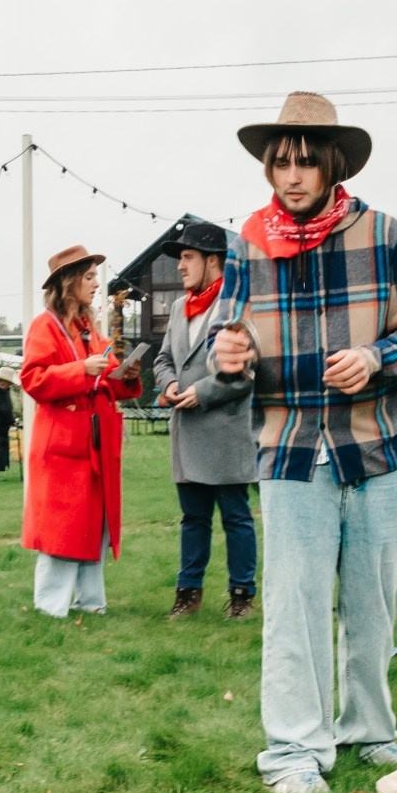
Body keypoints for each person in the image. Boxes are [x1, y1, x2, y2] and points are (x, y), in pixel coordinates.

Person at [207, 92, 397, 793]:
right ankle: (293, 751)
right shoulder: (246, 242)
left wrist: (376, 358)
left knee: (373, 607)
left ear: (333, 164)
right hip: (290, 450)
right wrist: (229, 357)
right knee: (294, 606)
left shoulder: (388, 234)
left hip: (378, 449)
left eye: (306, 162)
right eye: (281, 162)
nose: (293, 176)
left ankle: (370, 731)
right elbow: (229, 338)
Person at [20, 244, 139, 617]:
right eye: (89, 278)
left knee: (93, 527)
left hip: (94, 444)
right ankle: (51, 606)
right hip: (63, 446)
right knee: (63, 530)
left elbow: (107, 375)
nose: (95, 285)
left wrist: (126, 376)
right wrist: (80, 371)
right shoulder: (45, 326)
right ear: (69, 282)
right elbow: (33, 379)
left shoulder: (89, 327)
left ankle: (91, 603)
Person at [149, 217, 258, 619]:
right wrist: (170, 382)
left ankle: (242, 595)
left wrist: (203, 392)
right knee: (193, 519)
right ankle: (187, 594)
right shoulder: (178, 307)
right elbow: (163, 359)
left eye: (188, 256)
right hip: (187, 432)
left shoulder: (237, 305)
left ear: (214, 261)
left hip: (227, 432)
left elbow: (248, 372)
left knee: (236, 518)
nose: (180, 265)